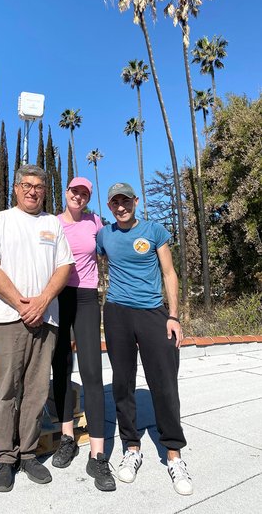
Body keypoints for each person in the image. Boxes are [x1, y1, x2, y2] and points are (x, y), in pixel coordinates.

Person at [0, 164, 74, 493]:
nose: (33, 190)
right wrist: (22, 304)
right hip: (8, 318)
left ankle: (28, 453)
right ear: (16, 188)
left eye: (39, 186)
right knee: (5, 388)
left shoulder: (52, 225)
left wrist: (42, 301)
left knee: (36, 391)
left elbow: (64, 267)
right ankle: (5, 458)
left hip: (46, 319)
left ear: (45, 191)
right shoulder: (0, 220)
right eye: (27, 185)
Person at [97, 182, 193, 496]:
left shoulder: (154, 231)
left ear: (135, 202)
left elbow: (169, 273)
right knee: (122, 383)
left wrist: (173, 315)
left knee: (164, 383)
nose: (121, 207)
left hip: (153, 313)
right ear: (110, 207)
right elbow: (87, 263)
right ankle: (132, 448)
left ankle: (174, 454)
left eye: (126, 201)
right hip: (116, 313)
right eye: (115, 203)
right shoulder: (105, 235)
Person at [51, 177, 115, 492]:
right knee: (61, 368)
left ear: (88, 198)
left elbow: (111, 251)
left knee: (92, 371)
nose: (78, 196)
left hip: (88, 298)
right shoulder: (52, 223)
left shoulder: (95, 222)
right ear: (66, 193)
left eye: (84, 193)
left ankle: (98, 455)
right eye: (74, 191)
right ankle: (67, 439)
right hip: (59, 298)